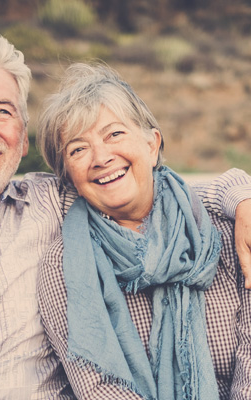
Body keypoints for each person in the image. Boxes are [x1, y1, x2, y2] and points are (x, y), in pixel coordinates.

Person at [0, 35, 249, 399]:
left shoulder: (54, 201)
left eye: (3, 111)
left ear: (23, 139)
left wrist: (241, 197)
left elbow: (151, 194)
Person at [37, 63, 251, 399]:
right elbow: (99, 387)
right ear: (69, 177)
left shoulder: (226, 226)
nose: (101, 157)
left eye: (114, 134)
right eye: (78, 149)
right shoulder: (63, 265)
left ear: (152, 145)